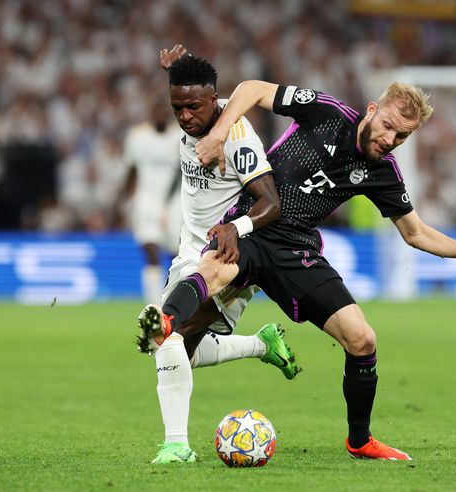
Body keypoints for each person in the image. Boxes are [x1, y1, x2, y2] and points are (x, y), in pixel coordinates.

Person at [140, 80, 456, 460]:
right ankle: (167, 319)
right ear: (372, 110)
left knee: (363, 340)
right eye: (389, 126)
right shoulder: (325, 112)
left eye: (402, 136)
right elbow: (253, 88)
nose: (391, 139)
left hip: (296, 249)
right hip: (250, 225)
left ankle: (360, 440)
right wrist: (220, 132)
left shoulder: (382, 171)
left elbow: (416, 233)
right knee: (205, 292)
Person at [140, 47, 300, 465]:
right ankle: (261, 345)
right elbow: (193, 82)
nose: (186, 116)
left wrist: (237, 227)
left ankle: (176, 445)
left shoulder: (238, 137)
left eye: (194, 106)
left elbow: (270, 203)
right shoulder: (191, 112)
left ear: (215, 101)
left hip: (226, 261)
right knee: (178, 350)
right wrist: (177, 67)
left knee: (168, 337)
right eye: (178, 107)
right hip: (186, 256)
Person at [122, 101, 182, 304]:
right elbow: (131, 170)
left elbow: (183, 172)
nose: (160, 116)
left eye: (164, 112)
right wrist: (123, 199)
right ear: (150, 114)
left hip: (175, 202)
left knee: (177, 254)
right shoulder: (137, 136)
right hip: (146, 200)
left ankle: (173, 301)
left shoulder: (179, 136)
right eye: (156, 112)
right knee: (150, 249)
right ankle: (153, 305)